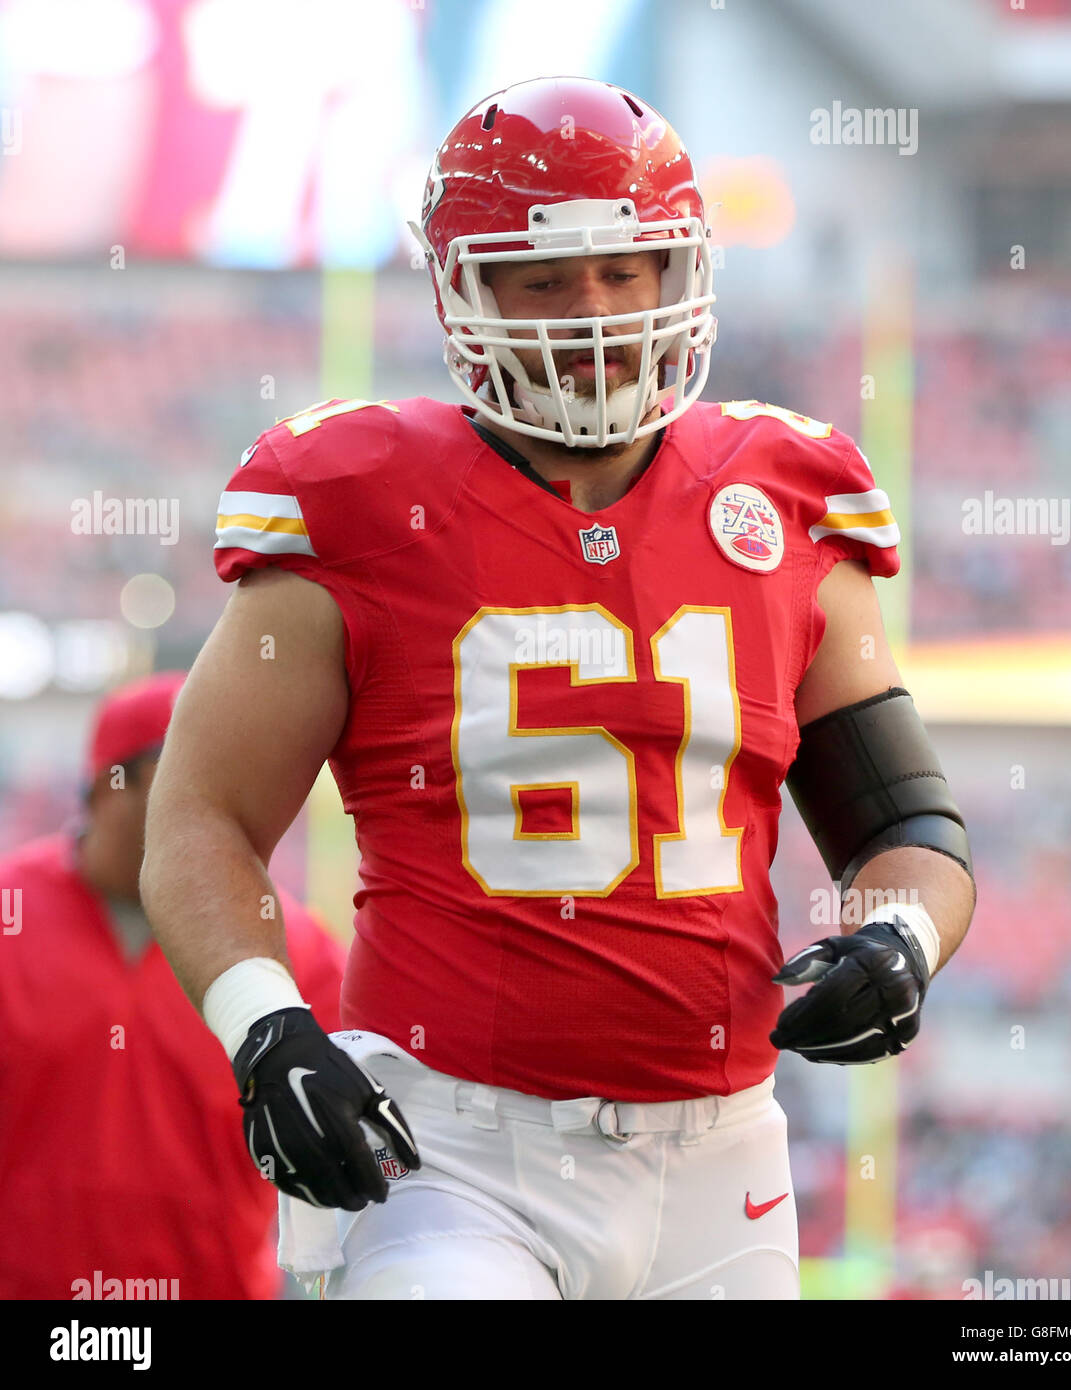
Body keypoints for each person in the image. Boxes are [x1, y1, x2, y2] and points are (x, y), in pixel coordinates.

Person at [141, 77, 975, 1301]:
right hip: (447, 1145)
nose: (591, 313)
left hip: (720, 1152)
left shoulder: (783, 505)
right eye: (544, 279)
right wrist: (266, 1025)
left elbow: (907, 829)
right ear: (464, 291)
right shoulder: (359, 501)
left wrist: (902, 937)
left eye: (625, 270)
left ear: (676, 274)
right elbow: (201, 815)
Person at [0, 671, 345, 1300]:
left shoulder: (295, 946)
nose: (217, 803)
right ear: (109, 786)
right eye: (185, 776)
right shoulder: (9, 913)